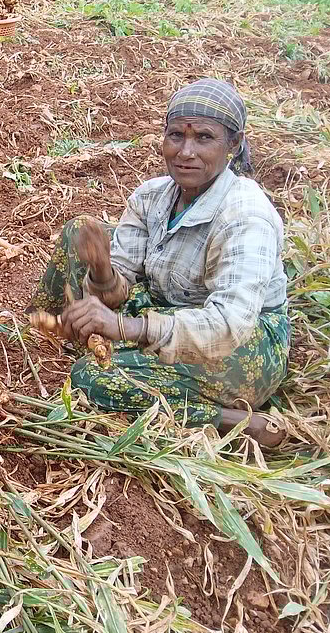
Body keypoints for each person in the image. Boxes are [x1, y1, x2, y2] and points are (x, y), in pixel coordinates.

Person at [29, 79, 290, 446]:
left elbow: (230, 324)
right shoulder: (152, 197)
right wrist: (103, 269)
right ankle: (61, 330)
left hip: (241, 342)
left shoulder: (246, 217)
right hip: (167, 305)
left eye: (203, 138)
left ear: (233, 144)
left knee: (94, 376)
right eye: (175, 136)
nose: (185, 152)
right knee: (80, 231)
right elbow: (121, 285)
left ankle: (231, 421)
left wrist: (123, 328)